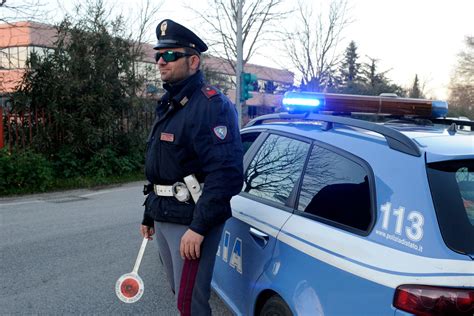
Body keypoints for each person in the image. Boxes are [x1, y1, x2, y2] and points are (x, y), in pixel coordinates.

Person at [140, 19, 244, 316]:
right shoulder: (170, 103)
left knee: (190, 304)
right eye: (157, 55)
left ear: (194, 61)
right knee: (180, 296)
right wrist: (149, 213)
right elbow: (163, 166)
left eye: (170, 55)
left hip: (191, 221)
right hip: (165, 215)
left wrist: (198, 228)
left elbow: (226, 174)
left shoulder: (212, 105)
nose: (161, 61)